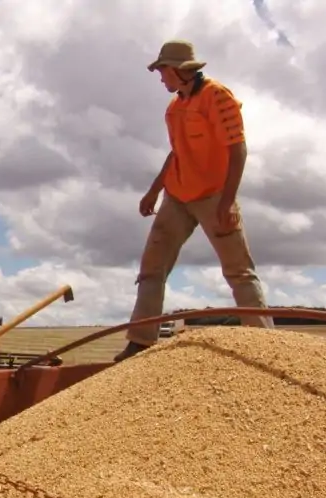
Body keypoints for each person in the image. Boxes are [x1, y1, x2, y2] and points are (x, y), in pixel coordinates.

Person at [113, 40, 274, 363]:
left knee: (239, 271)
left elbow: (237, 149)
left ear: (179, 70)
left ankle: (264, 344)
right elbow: (177, 153)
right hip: (177, 195)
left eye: (162, 71)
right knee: (151, 270)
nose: (160, 78)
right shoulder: (173, 108)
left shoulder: (218, 97)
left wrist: (228, 201)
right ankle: (141, 341)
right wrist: (154, 189)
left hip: (214, 195)